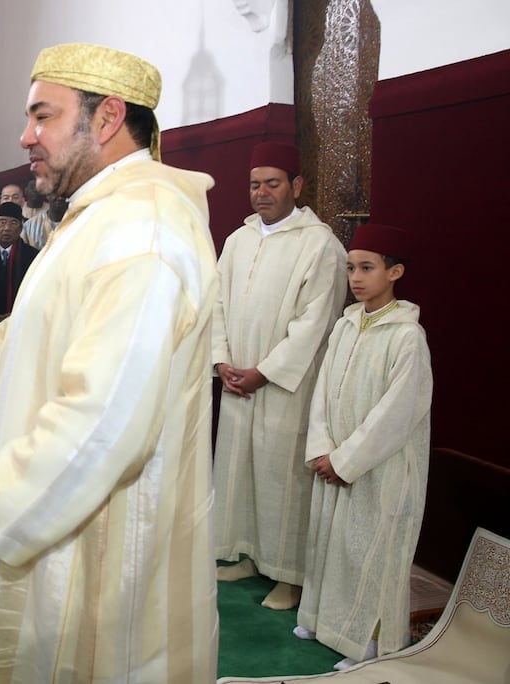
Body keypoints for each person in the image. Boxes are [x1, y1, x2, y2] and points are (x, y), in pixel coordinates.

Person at [0, 42, 220, 682]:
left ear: (106, 118)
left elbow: (107, 414)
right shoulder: (95, 218)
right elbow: (23, 341)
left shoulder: (145, 229)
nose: (26, 137)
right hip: (64, 516)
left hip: (105, 543)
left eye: (42, 116)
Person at [212, 142, 348, 611]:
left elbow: (316, 323)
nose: (262, 193)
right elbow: (217, 305)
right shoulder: (238, 240)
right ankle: (250, 553)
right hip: (237, 381)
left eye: (273, 183)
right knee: (241, 472)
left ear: (296, 186)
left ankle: (291, 574)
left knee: (283, 479)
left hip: (287, 386)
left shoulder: (320, 245)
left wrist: (264, 373)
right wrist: (220, 361)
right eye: (254, 184)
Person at [294, 223, 432, 672]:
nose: (355, 277)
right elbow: (321, 391)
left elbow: (398, 411)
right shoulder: (345, 325)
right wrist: (322, 447)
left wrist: (346, 459)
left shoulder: (406, 336)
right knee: (332, 545)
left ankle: (371, 642)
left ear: (395, 272)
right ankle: (324, 622)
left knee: (373, 553)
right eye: (351, 267)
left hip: (378, 468)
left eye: (367, 268)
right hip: (334, 458)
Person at [0, 201, 38, 332]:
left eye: (13, 223)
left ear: (20, 229)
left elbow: (35, 291)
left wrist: (17, 313)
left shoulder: (32, 256)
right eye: (2, 222)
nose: (7, 228)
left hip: (19, 322)